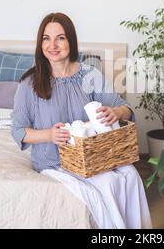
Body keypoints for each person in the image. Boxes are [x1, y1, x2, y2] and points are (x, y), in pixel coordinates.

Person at [11, 12, 152, 229]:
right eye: (46, 39)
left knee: (131, 175)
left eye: (60, 37)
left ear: (71, 41)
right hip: (54, 161)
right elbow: (19, 131)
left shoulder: (90, 75)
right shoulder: (28, 84)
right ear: (40, 44)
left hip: (95, 158)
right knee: (108, 182)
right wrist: (49, 134)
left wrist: (116, 112)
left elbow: (125, 107)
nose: (52, 45)